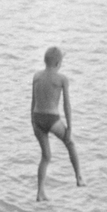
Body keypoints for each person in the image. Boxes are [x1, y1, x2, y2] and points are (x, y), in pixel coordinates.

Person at [31, 46, 83, 201]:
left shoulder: (36, 76)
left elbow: (33, 101)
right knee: (70, 143)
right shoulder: (62, 79)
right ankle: (79, 177)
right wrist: (70, 127)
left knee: (46, 156)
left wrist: (32, 120)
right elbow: (67, 105)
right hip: (52, 119)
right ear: (58, 63)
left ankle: (40, 192)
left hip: (37, 118)